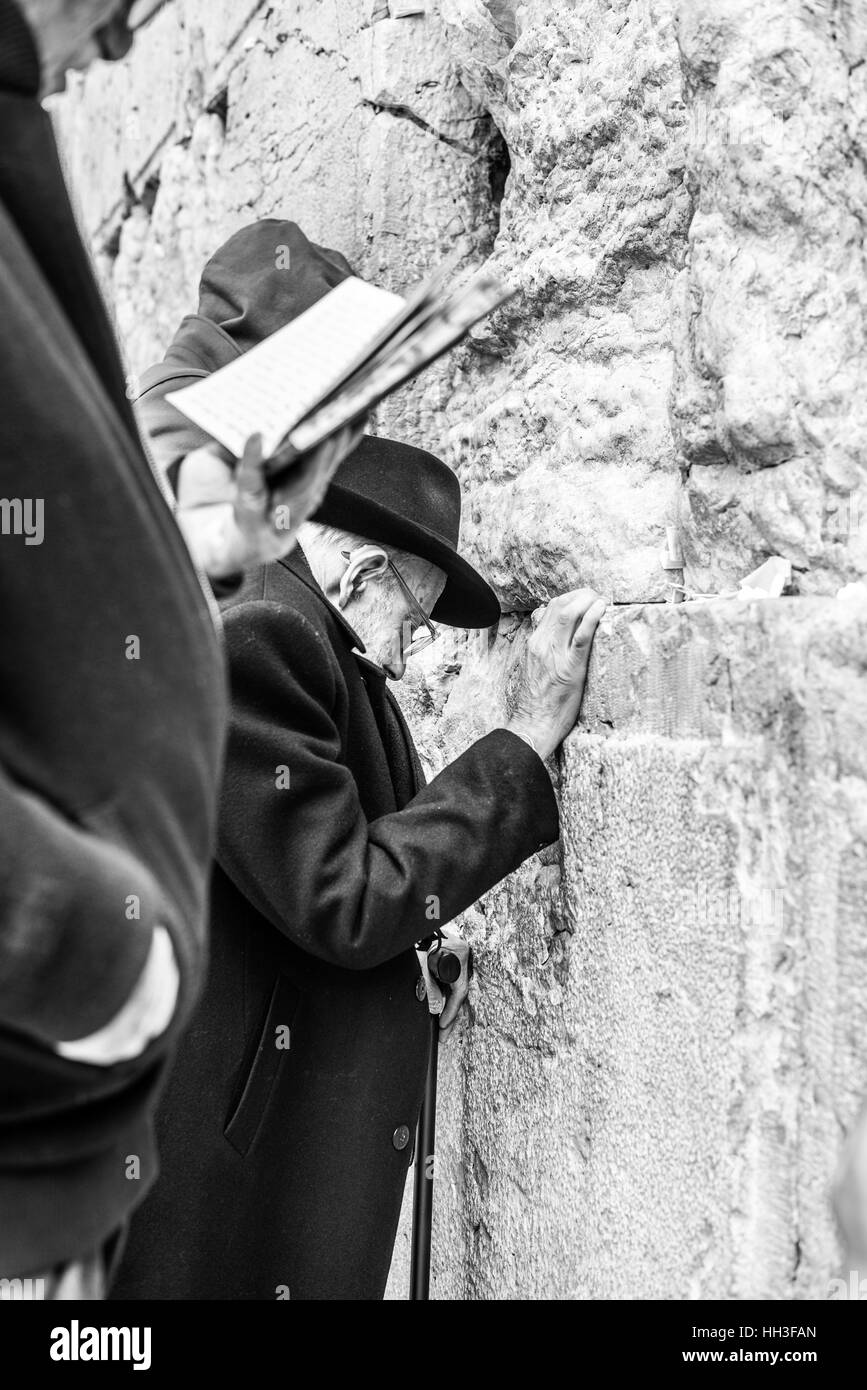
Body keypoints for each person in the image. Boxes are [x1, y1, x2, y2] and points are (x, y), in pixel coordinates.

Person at [112, 223, 605, 1300]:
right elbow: (338, 896)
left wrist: (406, 958)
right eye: (417, 613)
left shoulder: (270, 609)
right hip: (214, 1168)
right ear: (359, 565)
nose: (414, 644)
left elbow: (295, 871)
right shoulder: (262, 627)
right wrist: (518, 750)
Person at [0, 0, 358, 1299]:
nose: (119, 49)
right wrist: (98, 956)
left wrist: (200, 547)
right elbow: (338, 892)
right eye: (121, 7)